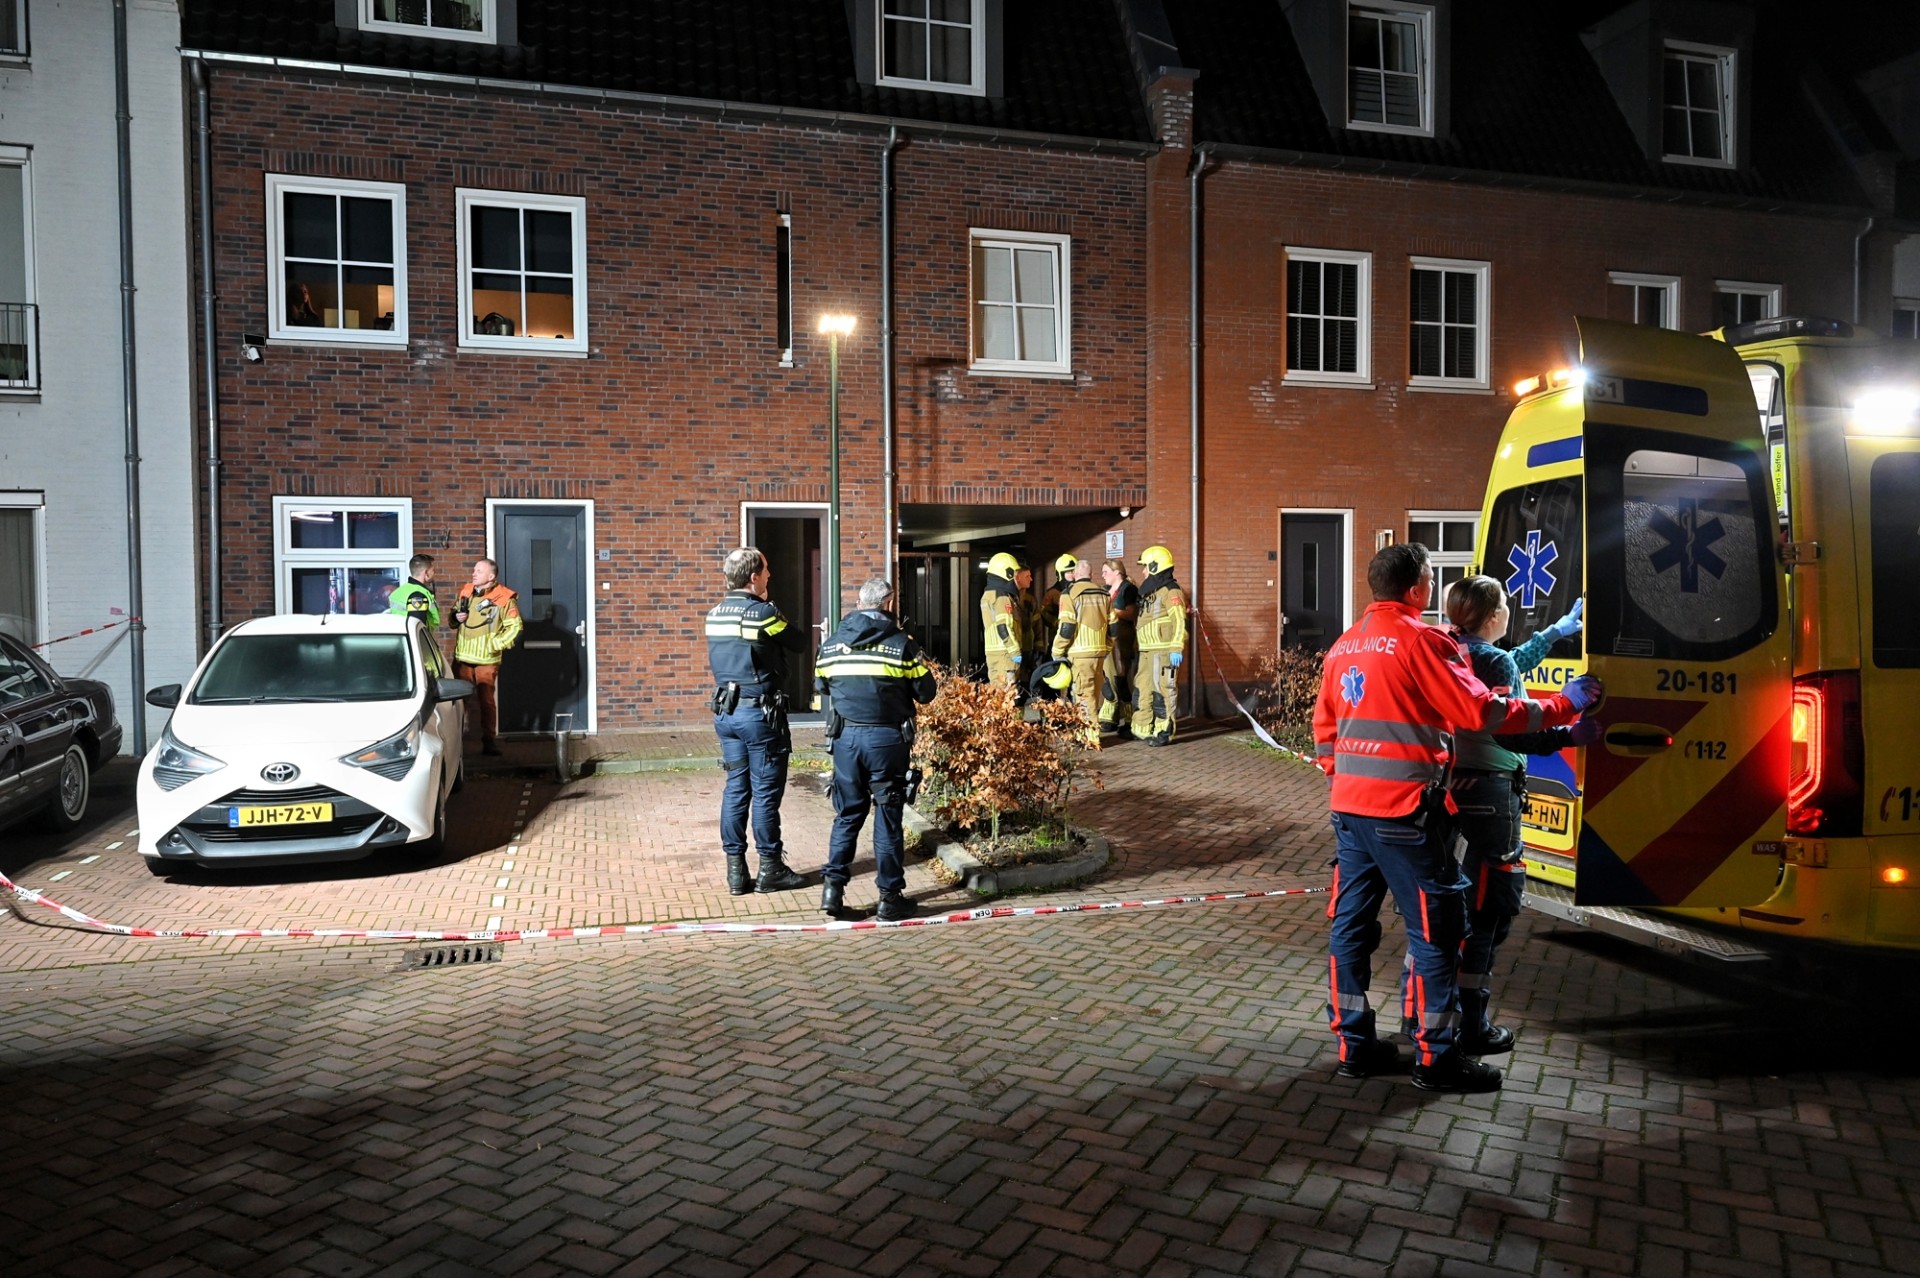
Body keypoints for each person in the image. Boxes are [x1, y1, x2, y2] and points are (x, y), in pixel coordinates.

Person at [1313, 543, 1602, 1093]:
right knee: (1439, 930)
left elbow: (1325, 731)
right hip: (1404, 814)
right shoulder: (1423, 642)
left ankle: (1354, 1045)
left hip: (1350, 813)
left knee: (1350, 927)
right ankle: (1436, 1056)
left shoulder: (1344, 645)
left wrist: (1345, 781)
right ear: (1419, 588)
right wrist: (1563, 705)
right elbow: (1482, 711)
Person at [1441, 577, 1594, 1057]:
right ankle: (1473, 1022)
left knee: (1454, 904)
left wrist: (1553, 634)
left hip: (1452, 786)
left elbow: (1504, 669)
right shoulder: (1492, 658)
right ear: (1492, 617)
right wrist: (1570, 731)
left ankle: (1432, 1011)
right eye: (1504, 605)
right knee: (1491, 909)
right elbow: (1512, 731)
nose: (1508, 611)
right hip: (1492, 792)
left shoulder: (1449, 649)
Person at [816, 577, 938, 922]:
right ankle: (889, 898)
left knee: (847, 814)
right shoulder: (901, 645)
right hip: (887, 741)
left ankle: (832, 891)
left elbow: (821, 684)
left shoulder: (831, 644)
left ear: (859, 603)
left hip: (846, 741)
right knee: (887, 815)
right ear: (888, 603)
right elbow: (926, 692)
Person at [705, 546, 812, 896]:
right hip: (759, 716)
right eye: (765, 571)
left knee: (736, 789)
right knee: (765, 794)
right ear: (753, 577)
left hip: (727, 713)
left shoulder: (715, 613)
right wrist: (769, 604)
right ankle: (771, 868)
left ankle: (736, 872)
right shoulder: (761, 613)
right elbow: (797, 641)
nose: (770, 576)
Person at [451, 558, 523, 755]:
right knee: (457, 703)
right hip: (463, 658)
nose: (474, 573)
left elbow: (515, 627)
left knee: (486, 702)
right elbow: (453, 617)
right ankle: (454, 742)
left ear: (491, 576)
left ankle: (489, 741)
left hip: (486, 661)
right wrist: (455, 618)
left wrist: (495, 645)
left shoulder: (504, 598)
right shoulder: (466, 590)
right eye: (474, 570)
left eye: (479, 571)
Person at [1130, 545, 1188, 746]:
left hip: (1163, 652)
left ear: (1155, 566)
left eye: (1145, 566)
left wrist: (1176, 648)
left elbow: (1179, 620)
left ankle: (1164, 731)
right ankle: (1142, 728)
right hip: (1147, 651)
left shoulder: (1171, 591)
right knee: (1142, 689)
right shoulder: (1151, 591)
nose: (1143, 571)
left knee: (1162, 692)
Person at [1051, 558, 1110, 747]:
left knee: (1083, 695)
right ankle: (1084, 733)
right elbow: (1113, 626)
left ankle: (1090, 737)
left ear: (1075, 575)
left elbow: (1067, 627)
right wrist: (1107, 646)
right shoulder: (1104, 593)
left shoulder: (1069, 594)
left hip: (1079, 653)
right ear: (1091, 575)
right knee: (1093, 694)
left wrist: (1057, 650)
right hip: (1099, 653)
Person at [979, 552, 1026, 697]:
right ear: (1008, 573)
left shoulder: (988, 595)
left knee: (997, 695)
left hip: (994, 654)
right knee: (1008, 697)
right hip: (1005, 655)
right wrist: (1015, 652)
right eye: (1015, 573)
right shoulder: (1002, 596)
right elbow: (1003, 626)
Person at [1099, 558, 1138, 735]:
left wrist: (1110, 612)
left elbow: (1131, 613)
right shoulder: (1106, 590)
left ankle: (1130, 718)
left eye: (1106, 571)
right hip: (1108, 641)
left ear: (1117, 573)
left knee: (1121, 678)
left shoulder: (1128, 590)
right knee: (1108, 677)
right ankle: (1110, 716)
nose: (1103, 575)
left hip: (1122, 640)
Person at [387, 554, 441, 628]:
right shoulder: (418, 595)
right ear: (426, 573)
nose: (434, 573)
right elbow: (417, 628)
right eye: (433, 570)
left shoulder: (401, 591)